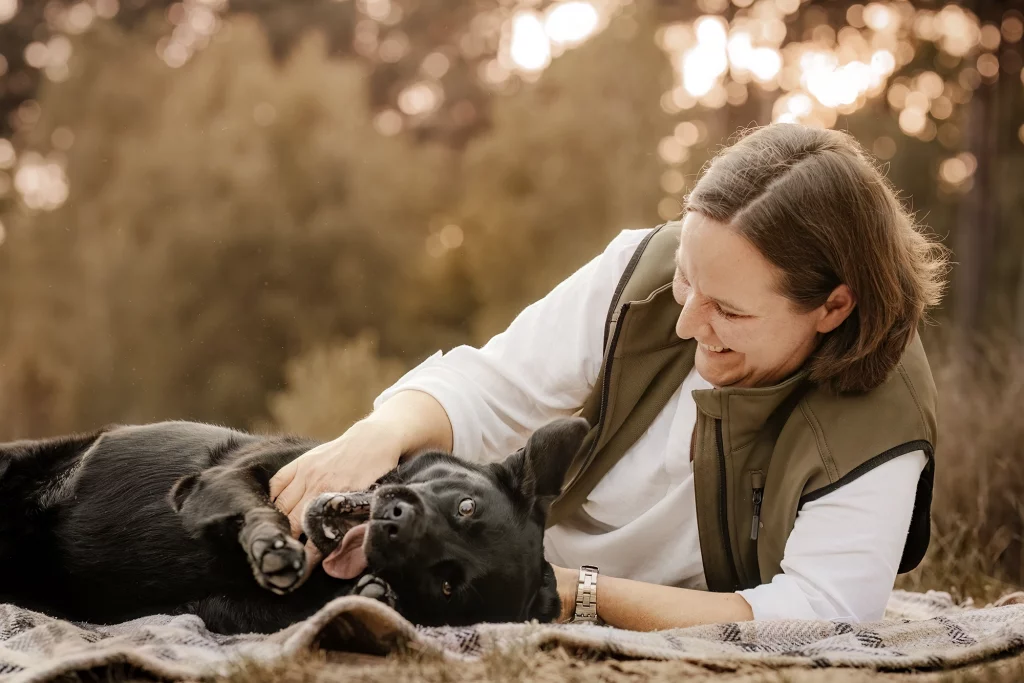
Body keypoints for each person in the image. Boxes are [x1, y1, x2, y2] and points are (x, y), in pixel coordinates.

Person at [270, 123, 949, 631]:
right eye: (688, 280)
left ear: (834, 305)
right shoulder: (639, 274)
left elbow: (820, 612)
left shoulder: (881, 415)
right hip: (483, 551)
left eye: (731, 311)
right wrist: (376, 433)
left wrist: (566, 591)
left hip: (588, 595)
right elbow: (494, 386)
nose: (688, 326)